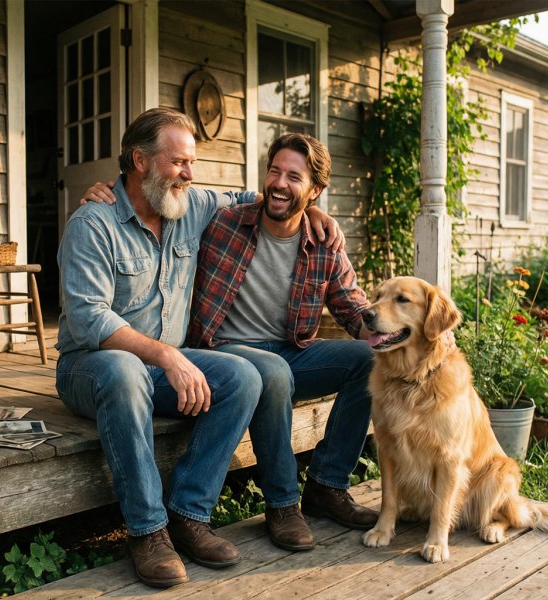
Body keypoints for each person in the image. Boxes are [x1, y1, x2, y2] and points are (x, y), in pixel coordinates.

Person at [57, 108, 341, 588]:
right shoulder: (93, 224)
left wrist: (311, 208)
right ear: (139, 161)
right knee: (125, 371)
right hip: (93, 368)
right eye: (178, 162)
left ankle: (189, 514)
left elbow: (261, 197)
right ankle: (148, 531)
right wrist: (168, 355)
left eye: (192, 162)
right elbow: (88, 318)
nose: (190, 174)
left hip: (162, 368)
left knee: (244, 376)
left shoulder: (189, 205)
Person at [186, 133, 378, 551]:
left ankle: (327, 486)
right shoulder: (224, 222)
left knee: (370, 358)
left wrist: (394, 336)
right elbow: (167, 194)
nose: (279, 183)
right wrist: (110, 190)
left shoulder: (324, 243)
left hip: (291, 352)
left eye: (294, 177)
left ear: (315, 190)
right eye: (275, 171)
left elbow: (353, 309)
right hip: (223, 352)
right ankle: (283, 504)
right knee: (272, 372)